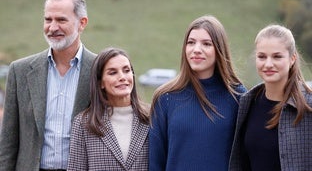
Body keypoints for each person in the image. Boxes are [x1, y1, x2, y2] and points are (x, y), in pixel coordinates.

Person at [0, 0, 96, 171]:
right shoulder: (19, 71)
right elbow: (7, 143)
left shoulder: (100, 69)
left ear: (82, 23)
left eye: (61, 20)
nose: (52, 27)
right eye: (48, 19)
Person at [149, 15, 247, 171]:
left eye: (206, 44)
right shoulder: (165, 97)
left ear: (219, 49)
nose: (196, 49)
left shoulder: (238, 96)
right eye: (191, 42)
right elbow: (155, 162)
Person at [229, 24, 312, 171]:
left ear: (292, 59)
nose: (268, 64)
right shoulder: (246, 102)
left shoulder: (308, 105)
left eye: (277, 56)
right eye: (261, 56)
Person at [67, 47, 149, 171]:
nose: (122, 77)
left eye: (126, 70)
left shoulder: (153, 117)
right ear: (101, 83)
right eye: (113, 72)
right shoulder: (83, 123)